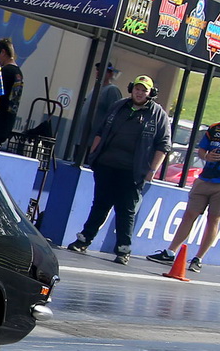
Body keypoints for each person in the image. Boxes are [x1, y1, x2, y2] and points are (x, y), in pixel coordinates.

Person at [66, 75, 171, 264]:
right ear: (132, 89)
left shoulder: (158, 114)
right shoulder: (119, 106)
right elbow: (100, 132)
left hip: (132, 171)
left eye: (144, 90)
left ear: (151, 93)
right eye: (137, 89)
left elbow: (163, 145)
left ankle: (123, 249)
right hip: (106, 165)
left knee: (126, 210)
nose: (139, 93)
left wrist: (152, 170)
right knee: (100, 204)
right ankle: (84, 240)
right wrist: (93, 155)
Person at [146, 121, 220, 273]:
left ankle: (198, 258)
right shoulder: (214, 128)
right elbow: (201, 150)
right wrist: (207, 156)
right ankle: (170, 252)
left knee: (213, 219)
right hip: (205, 178)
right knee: (189, 214)